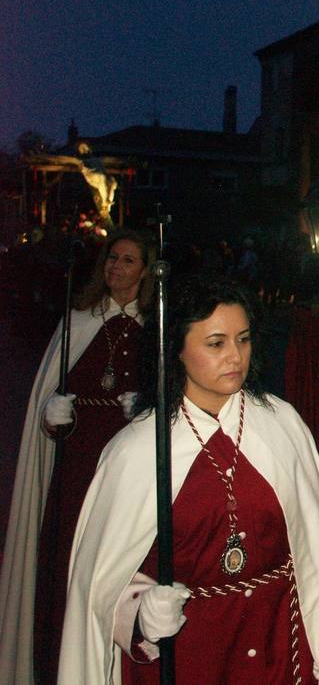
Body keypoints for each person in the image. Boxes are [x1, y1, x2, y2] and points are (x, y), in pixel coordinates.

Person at [59, 277, 319, 683]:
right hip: (187, 660)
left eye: (244, 339)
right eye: (216, 343)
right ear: (176, 350)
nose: (235, 356)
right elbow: (98, 589)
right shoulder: (137, 450)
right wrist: (139, 611)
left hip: (277, 654)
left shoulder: (282, 426)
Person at [0, 228, 154, 685]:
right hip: (77, 462)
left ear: (145, 272)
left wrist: (147, 405)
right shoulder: (79, 320)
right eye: (112, 258)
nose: (115, 267)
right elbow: (47, 395)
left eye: (128, 261)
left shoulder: (155, 329)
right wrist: (50, 412)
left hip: (125, 465)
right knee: (68, 555)